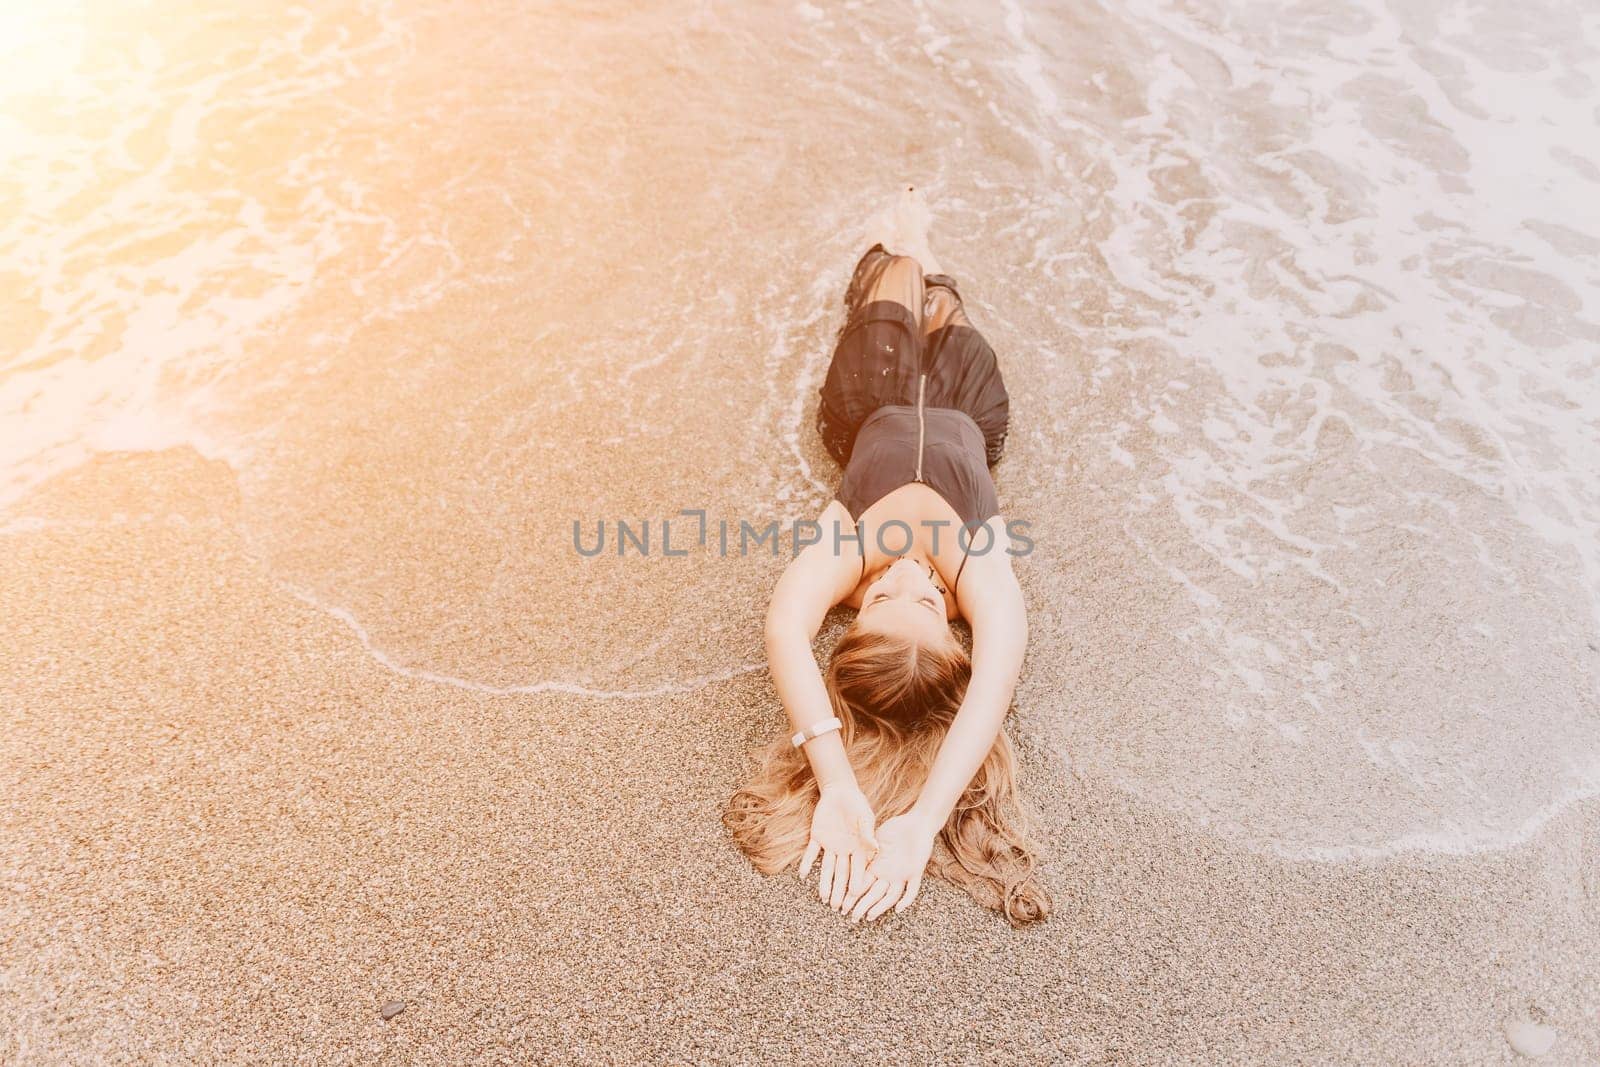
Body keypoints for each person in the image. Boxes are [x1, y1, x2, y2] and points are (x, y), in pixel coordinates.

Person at [724, 189, 1051, 927]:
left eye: (881, 600)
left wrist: (838, 781)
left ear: (852, 615)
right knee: (946, 306)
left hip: (869, 402)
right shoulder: (980, 571)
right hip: (970, 412)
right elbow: (992, 686)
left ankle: (894, 246)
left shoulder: (849, 555)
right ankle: (929, 266)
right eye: (928, 602)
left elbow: (783, 633)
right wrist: (927, 816)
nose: (906, 573)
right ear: (956, 628)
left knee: (896, 270)